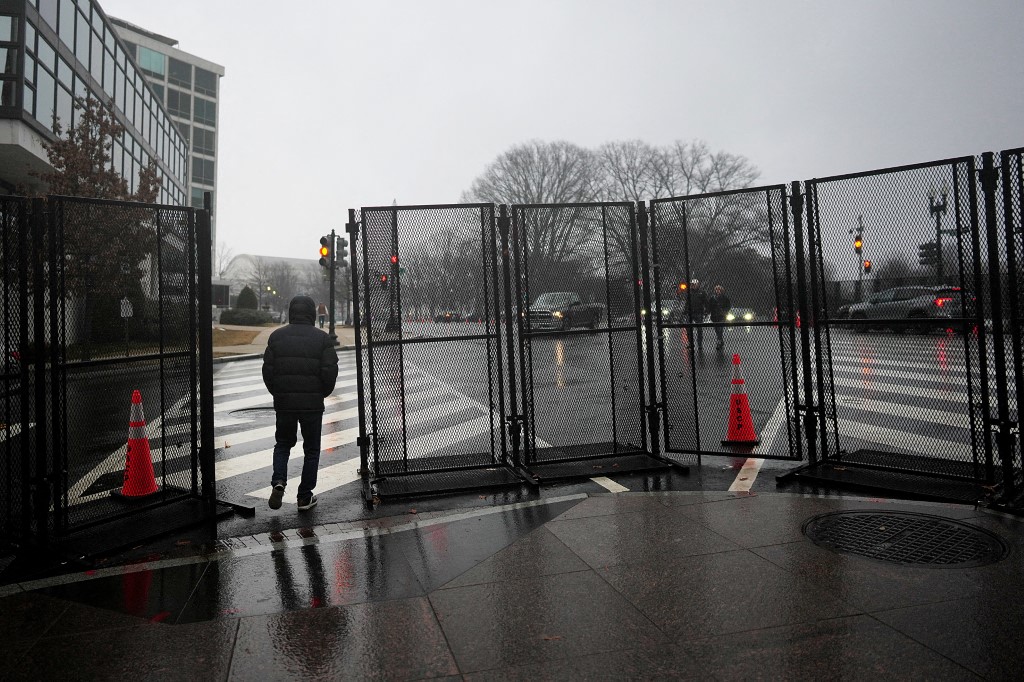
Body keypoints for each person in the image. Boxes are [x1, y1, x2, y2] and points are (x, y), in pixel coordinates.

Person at [262, 295, 339, 511]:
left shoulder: (276, 337)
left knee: (283, 444)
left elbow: (268, 370)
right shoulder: (322, 339)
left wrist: (278, 393)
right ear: (313, 314)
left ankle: (279, 481)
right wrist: (322, 393)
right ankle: (304, 496)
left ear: (290, 312)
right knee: (312, 449)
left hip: (285, 402)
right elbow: (330, 370)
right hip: (312, 404)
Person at [708, 284, 732, 350]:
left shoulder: (725, 298)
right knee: (716, 329)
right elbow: (709, 306)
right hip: (714, 316)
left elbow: (728, 306)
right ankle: (720, 340)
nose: (718, 291)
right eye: (716, 289)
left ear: (721, 290)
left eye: (719, 290)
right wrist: (708, 312)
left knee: (720, 329)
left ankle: (719, 341)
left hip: (721, 315)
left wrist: (725, 311)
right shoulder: (712, 298)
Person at [687, 279, 709, 349]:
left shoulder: (702, 292)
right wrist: (685, 311)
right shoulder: (689, 292)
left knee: (699, 329)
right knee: (688, 328)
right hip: (690, 313)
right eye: (692, 284)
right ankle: (691, 343)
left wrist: (706, 311)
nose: (692, 285)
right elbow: (687, 302)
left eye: (694, 284)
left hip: (699, 312)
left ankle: (699, 344)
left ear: (697, 284)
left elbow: (706, 302)